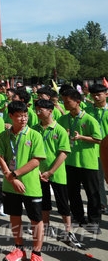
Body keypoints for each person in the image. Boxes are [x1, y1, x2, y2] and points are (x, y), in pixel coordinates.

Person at [0, 101, 46, 261]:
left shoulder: (35, 135)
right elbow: (1, 156)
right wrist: (10, 177)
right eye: (19, 116)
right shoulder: (4, 135)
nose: (23, 119)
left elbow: (36, 160)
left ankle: (36, 253)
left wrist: (14, 175)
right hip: (10, 185)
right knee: (15, 216)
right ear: (11, 116)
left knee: (36, 219)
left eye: (25, 116)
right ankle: (19, 249)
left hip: (30, 186)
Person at [32, 99, 81, 247]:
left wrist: (50, 171)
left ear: (50, 111)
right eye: (36, 110)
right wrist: (38, 170)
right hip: (39, 173)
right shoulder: (34, 129)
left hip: (56, 173)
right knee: (44, 202)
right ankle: (46, 227)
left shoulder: (59, 130)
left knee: (63, 203)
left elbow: (63, 153)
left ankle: (68, 231)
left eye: (41, 110)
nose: (38, 112)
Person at [58, 87, 103, 234]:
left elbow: (99, 139)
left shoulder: (89, 119)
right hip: (70, 162)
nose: (65, 104)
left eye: (68, 101)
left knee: (92, 193)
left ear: (77, 102)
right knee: (73, 192)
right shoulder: (63, 119)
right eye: (63, 101)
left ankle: (94, 221)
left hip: (88, 162)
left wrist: (81, 137)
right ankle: (78, 217)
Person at [89, 83, 108, 214]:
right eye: (93, 95)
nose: (96, 97)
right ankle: (103, 204)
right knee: (98, 179)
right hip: (94, 150)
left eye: (98, 94)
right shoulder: (88, 111)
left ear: (106, 94)